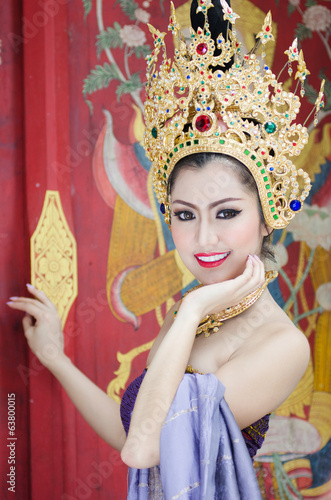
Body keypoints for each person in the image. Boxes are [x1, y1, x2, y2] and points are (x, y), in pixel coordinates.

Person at [7, 0, 324, 498]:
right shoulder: (191, 316)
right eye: (184, 214)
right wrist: (56, 357)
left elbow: (144, 449)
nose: (202, 239)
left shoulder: (280, 346)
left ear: (266, 218)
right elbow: (126, 430)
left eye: (226, 213)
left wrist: (195, 305)